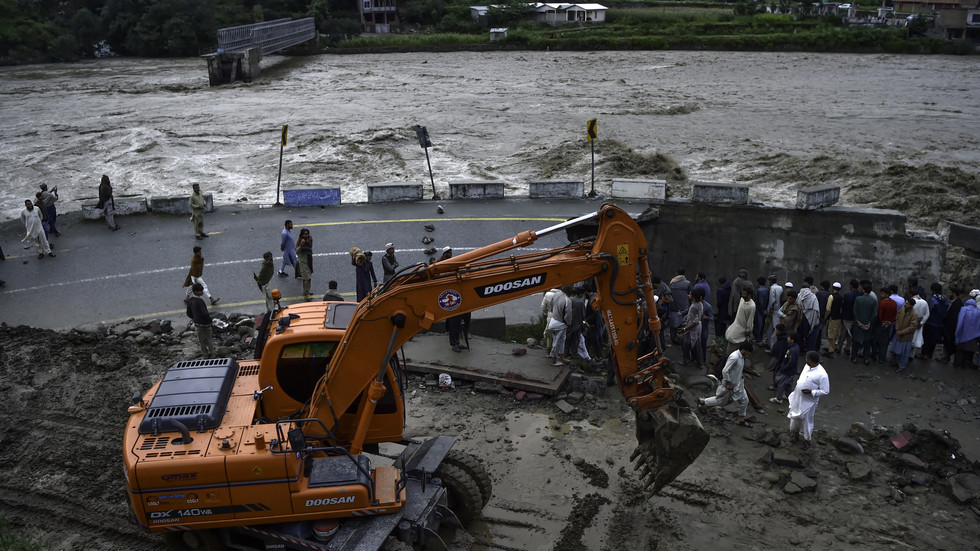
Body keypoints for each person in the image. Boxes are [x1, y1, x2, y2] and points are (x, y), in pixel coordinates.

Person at [698, 340, 753, 427]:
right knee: (720, 402)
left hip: (738, 384)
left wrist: (740, 374)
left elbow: (736, 368)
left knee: (745, 400)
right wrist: (729, 382)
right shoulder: (734, 357)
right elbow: (725, 371)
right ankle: (703, 401)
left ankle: (741, 420)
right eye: (748, 351)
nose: (749, 353)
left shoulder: (741, 356)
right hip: (729, 384)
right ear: (744, 350)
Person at [787, 351, 830, 450]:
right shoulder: (807, 367)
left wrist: (812, 392)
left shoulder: (822, 374)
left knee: (807, 420)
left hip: (809, 401)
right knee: (794, 416)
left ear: (811, 360)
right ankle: (795, 434)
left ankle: (807, 440)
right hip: (798, 397)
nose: (805, 360)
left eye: (807, 358)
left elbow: (825, 391)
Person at [891, 294, 920, 373]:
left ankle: (901, 366)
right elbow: (897, 318)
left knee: (904, 353)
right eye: (906, 303)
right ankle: (897, 362)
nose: (905, 305)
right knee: (897, 350)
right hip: (899, 333)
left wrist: (902, 332)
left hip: (906, 336)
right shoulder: (902, 309)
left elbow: (912, 327)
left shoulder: (914, 314)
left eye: (907, 304)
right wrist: (897, 328)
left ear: (911, 305)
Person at [186, 283, 215, 359]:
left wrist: (195, 318)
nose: (202, 292)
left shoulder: (190, 300)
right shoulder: (200, 301)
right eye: (201, 291)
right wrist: (210, 321)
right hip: (205, 324)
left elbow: (188, 313)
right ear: (196, 292)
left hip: (197, 324)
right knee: (209, 339)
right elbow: (205, 313)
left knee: (201, 341)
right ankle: (212, 354)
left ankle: (205, 355)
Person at [851, 281, 877, 365]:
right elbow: (874, 314)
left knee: (856, 341)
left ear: (863, 290)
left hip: (858, 324)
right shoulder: (873, 300)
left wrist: (858, 321)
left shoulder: (858, 299)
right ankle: (866, 358)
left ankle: (854, 357)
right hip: (868, 324)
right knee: (867, 342)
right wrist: (869, 322)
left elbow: (855, 311)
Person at [920, 282, 948, 360]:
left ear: (933, 290)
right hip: (939, 323)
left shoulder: (933, 299)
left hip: (930, 321)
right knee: (933, 340)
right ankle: (929, 355)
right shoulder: (945, 299)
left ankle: (923, 354)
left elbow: (929, 310)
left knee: (926, 339)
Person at [547, 285, 574, 365]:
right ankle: (553, 360)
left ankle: (561, 358)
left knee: (561, 341)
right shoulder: (567, 300)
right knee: (557, 342)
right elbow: (568, 314)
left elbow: (551, 306)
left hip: (553, 320)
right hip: (561, 323)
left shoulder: (556, 294)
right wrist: (568, 323)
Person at [724, 287, 756, 354]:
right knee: (731, 339)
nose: (743, 295)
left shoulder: (752, 306)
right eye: (743, 293)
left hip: (743, 329)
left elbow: (750, 319)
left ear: (749, 295)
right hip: (736, 325)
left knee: (737, 344)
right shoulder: (742, 300)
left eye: (745, 294)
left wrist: (749, 330)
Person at [772, 333, 801, 404]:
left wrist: (783, 368)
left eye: (789, 337)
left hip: (787, 371)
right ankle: (788, 396)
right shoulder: (795, 347)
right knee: (789, 384)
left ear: (792, 340)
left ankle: (779, 398)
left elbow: (790, 363)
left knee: (781, 384)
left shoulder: (792, 351)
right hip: (791, 371)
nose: (788, 338)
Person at [679, 288, 705, 367]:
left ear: (693, 297)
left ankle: (688, 361)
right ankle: (699, 362)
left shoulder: (694, 307)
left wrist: (685, 329)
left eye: (690, 294)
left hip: (693, 330)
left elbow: (694, 321)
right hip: (696, 328)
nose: (688, 295)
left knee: (687, 345)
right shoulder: (699, 304)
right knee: (696, 345)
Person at [953, 291, 979, 369]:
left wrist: (957, 334)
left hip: (963, 334)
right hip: (973, 336)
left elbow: (960, 322)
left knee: (960, 351)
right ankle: (963, 365)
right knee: (967, 352)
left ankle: (957, 365)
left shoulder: (964, 309)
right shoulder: (978, 312)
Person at [668, 268, 691, 344]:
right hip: (684, 306)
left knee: (673, 324)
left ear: (677, 273)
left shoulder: (672, 282)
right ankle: (681, 339)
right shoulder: (687, 283)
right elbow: (690, 293)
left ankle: (673, 338)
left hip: (673, 306)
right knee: (683, 323)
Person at [875, 288, 897, 364]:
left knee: (876, 341)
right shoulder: (894, 303)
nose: (881, 295)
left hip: (880, 324)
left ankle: (874, 355)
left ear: (887, 294)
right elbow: (894, 315)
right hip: (889, 325)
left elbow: (880, 315)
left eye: (883, 294)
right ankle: (882, 358)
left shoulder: (882, 303)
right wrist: (889, 323)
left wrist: (882, 323)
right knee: (884, 343)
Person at [540, 287, 563, 354]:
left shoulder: (547, 294)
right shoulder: (562, 295)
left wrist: (546, 312)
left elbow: (543, 306)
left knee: (549, 335)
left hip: (550, 317)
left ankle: (548, 351)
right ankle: (556, 353)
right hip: (559, 317)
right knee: (558, 336)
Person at [767, 323, 789, 389]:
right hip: (779, 359)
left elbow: (780, 352)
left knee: (777, 372)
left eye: (777, 330)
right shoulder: (783, 338)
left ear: (779, 331)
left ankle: (776, 385)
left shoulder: (782, 341)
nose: (776, 331)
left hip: (779, 360)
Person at [824, 282, 843, 357]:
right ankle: (831, 348)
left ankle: (831, 351)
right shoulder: (841, 297)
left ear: (833, 288)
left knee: (830, 334)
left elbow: (828, 309)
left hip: (832, 318)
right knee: (835, 333)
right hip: (838, 318)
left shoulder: (831, 296)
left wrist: (825, 317)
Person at [764, 275, 783, 347]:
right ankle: (770, 343)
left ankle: (772, 345)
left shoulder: (772, 288)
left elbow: (772, 301)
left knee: (771, 328)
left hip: (773, 310)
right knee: (774, 327)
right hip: (779, 309)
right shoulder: (780, 287)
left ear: (770, 281)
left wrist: (769, 311)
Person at [296, 228, 313, 299]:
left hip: (309, 260)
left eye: (307, 234)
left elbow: (310, 247)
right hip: (302, 261)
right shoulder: (299, 241)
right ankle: (306, 293)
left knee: (309, 278)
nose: (306, 235)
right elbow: (296, 251)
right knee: (306, 278)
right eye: (305, 234)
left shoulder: (309, 240)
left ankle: (307, 291)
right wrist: (301, 245)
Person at [754, 276, 770, 345]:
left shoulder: (759, 290)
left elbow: (760, 301)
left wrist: (762, 309)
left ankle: (758, 339)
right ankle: (760, 338)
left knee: (758, 324)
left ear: (758, 283)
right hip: (765, 309)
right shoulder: (767, 290)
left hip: (759, 310)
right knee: (762, 324)